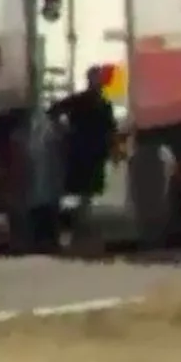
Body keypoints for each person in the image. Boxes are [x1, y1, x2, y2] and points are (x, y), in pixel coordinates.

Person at [48, 65, 119, 252]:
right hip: (84, 151)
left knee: (83, 192)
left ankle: (77, 229)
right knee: (81, 191)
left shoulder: (98, 102)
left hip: (87, 151)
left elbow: (111, 131)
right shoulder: (91, 102)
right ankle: (77, 229)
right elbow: (54, 111)